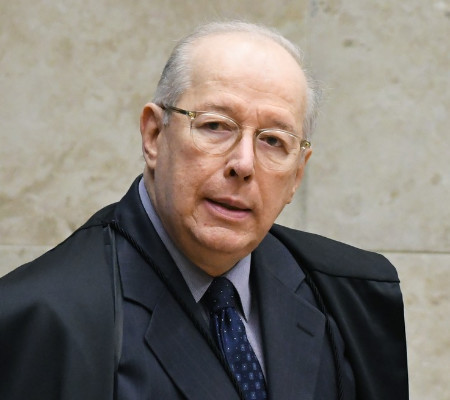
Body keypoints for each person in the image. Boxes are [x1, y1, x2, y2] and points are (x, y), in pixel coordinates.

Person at [0, 21, 408, 400]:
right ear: (154, 135)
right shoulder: (43, 317)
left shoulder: (351, 297)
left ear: (297, 174)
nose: (243, 164)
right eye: (215, 125)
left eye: (273, 141)